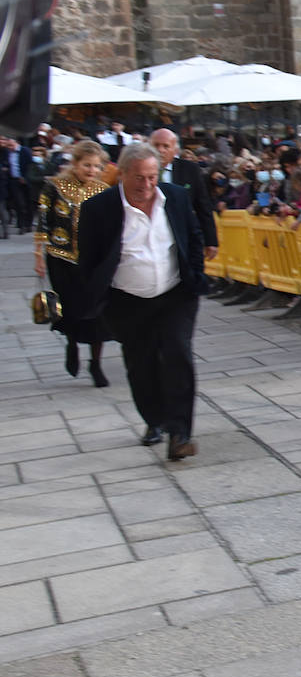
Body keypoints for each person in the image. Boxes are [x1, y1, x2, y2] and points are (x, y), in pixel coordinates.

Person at [76, 143, 207, 459]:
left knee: (178, 355)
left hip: (176, 294)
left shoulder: (174, 196)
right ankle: (154, 420)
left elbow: (193, 237)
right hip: (127, 301)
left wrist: (196, 273)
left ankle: (180, 433)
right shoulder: (99, 209)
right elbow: (89, 260)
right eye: (138, 178)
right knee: (141, 364)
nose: (146, 185)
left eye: (152, 177)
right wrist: (94, 299)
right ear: (121, 174)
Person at [33, 140, 115, 386]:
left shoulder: (104, 190)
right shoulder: (53, 186)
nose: (91, 170)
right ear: (75, 163)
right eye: (86, 165)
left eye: (96, 166)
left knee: (97, 312)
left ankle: (96, 364)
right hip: (61, 258)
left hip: (93, 261)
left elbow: (110, 225)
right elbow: (42, 221)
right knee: (68, 308)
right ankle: (71, 343)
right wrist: (38, 255)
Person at [149, 128, 218, 260]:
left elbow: (203, 205)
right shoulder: (139, 170)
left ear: (175, 150)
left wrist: (211, 241)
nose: (161, 150)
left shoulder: (190, 169)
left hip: (183, 237)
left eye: (166, 146)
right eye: (156, 145)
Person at [1, 135, 35, 234]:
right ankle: (21, 225)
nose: (10, 147)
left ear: (16, 143)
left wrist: (26, 177)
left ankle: (28, 224)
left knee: (28, 203)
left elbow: (31, 166)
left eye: (11, 145)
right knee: (19, 203)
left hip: (25, 180)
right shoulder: (7, 153)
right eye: (9, 146)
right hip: (14, 181)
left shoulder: (25, 151)